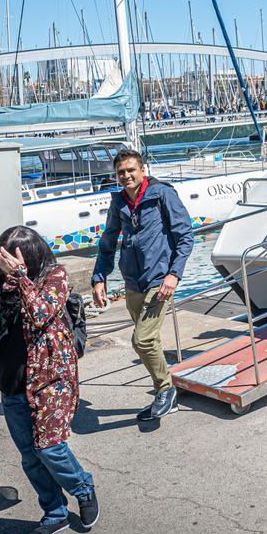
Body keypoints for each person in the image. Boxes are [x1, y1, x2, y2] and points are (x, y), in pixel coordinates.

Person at [0, 227, 98, 534]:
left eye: (15, 258)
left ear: (31, 257)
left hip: (50, 381)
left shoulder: (54, 276)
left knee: (49, 447)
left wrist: (20, 278)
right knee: (30, 455)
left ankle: (83, 487)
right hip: (12, 381)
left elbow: (41, 313)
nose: (7, 262)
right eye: (3, 255)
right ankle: (55, 512)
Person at [91, 148, 194, 421]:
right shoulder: (119, 202)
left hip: (159, 279)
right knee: (147, 343)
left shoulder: (162, 194)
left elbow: (185, 236)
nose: (126, 176)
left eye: (130, 170)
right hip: (132, 281)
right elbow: (108, 241)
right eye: (120, 172)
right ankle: (164, 391)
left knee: (143, 340)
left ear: (142, 170)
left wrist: (174, 274)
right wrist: (99, 277)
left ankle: (165, 390)